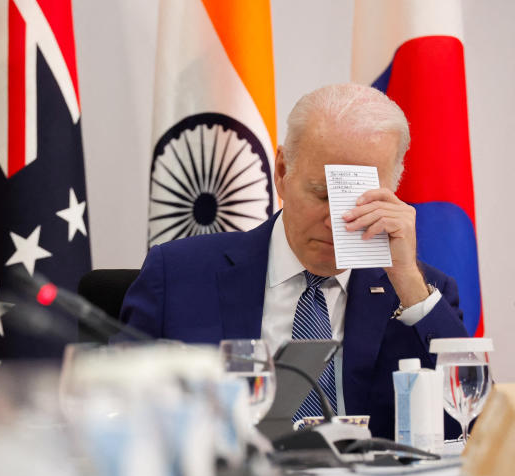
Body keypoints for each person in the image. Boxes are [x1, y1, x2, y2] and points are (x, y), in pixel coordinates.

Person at [119, 83, 469, 440]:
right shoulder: (180, 274)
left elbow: (459, 426)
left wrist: (407, 279)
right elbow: (118, 407)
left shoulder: (421, 293)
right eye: (321, 194)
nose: (337, 220)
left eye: (360, 202)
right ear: (282, 172)